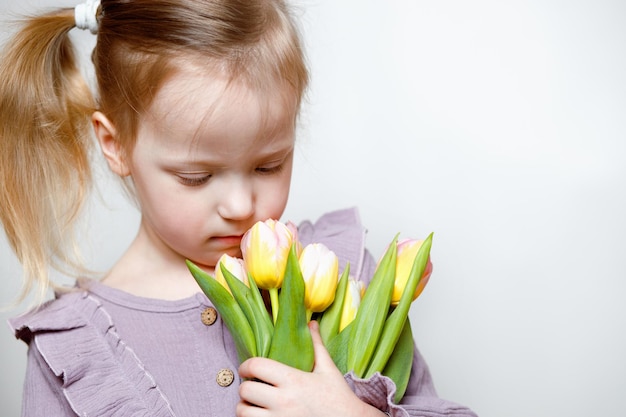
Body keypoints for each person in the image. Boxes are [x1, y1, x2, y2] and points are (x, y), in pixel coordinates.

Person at [0, 1, 478, 416]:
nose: (241, 205)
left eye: (269, 165)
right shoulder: (74, 350)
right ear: (115, 144)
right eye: (197, 176)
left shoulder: (339, 273)